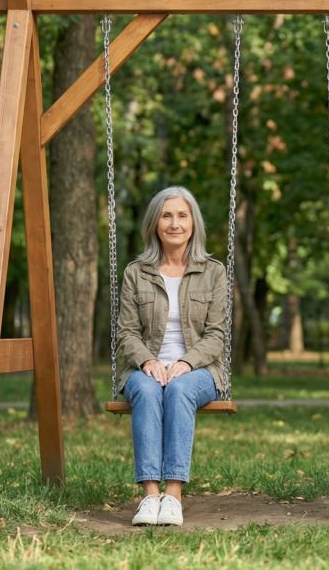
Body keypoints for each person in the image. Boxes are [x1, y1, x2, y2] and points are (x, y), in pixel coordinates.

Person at [116, 186, 230, 526]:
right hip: (144, 367)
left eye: (182, 215)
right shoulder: (137, 273)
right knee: (149, 390)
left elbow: (217, 335)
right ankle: (151, 496)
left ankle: (174, 496)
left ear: (193, 223)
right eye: (167, 215)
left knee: (179, 389)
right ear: (154, 223)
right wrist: (148, 361)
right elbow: (127, 333)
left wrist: (186, 362)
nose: (175, 223)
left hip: (200, 370)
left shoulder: (213, 271)